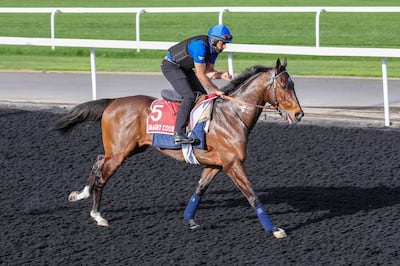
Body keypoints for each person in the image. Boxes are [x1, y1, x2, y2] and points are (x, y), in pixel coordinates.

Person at [161, 24, 233, 145]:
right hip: (171, 66)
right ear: (213, 40)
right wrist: (216, 90)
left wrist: (221, 75)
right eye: (223, 43)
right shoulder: (199, 46)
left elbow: (208, 72)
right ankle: (179, 133)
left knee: (202, 96)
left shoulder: (214, 49)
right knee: (189, 96)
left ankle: (196, 128)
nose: (225, 46)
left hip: (185, 68)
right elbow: (201, 75)